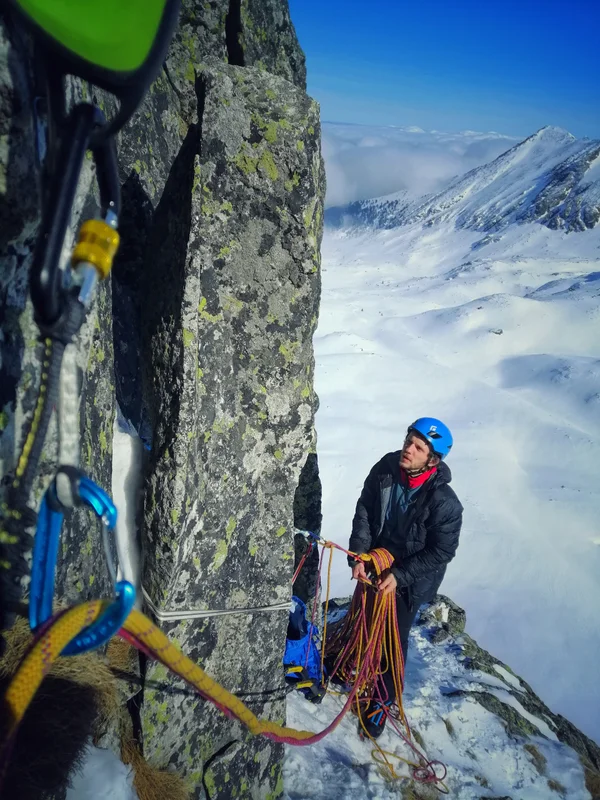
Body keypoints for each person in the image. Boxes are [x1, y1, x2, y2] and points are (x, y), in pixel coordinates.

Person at [348, 417, 463, 738]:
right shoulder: (387, 468)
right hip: (376, 562)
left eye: (418, 447)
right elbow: (366, 509)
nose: (407, 449)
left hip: (409, 580)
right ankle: (359, 667)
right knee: (366, 619)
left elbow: (441, 552)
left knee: (392, 639)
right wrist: (359, 551)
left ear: (433, 459)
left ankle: (382, 700)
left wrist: (400, 575)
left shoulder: (445, 503)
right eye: (408, 441)